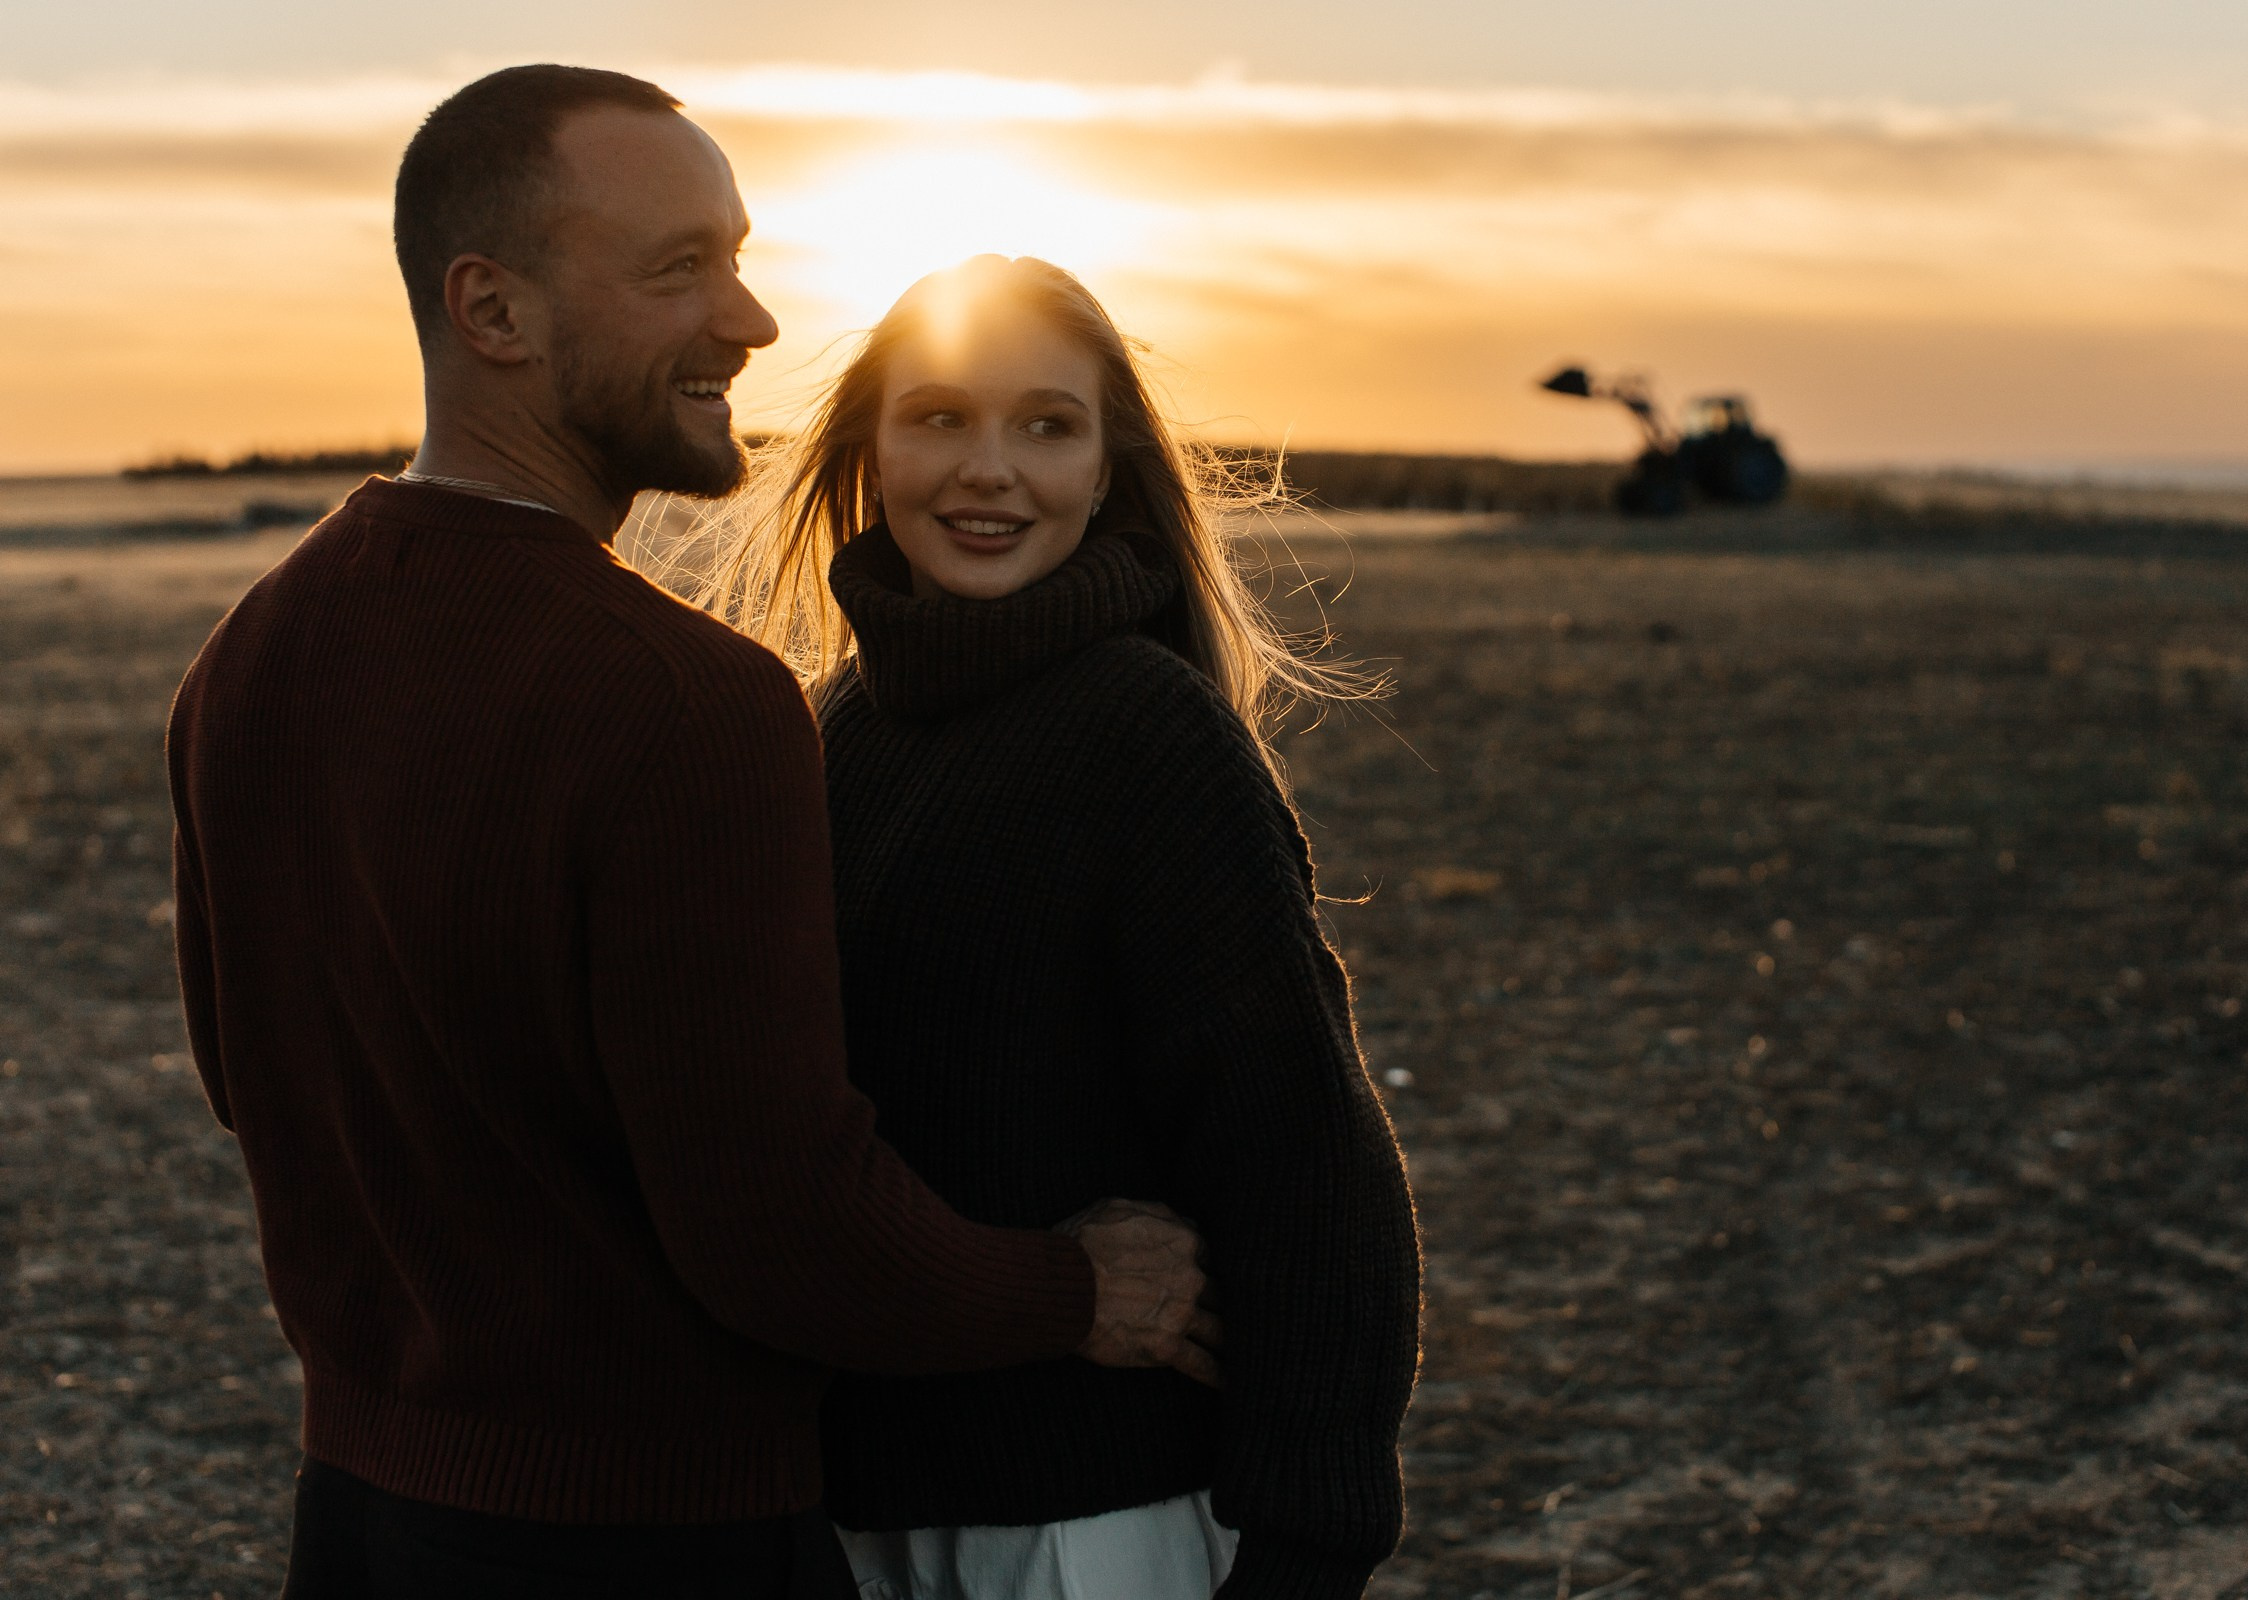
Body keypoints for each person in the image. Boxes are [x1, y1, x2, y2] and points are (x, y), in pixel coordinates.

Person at [165, 67, 1216, 1600]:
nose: (752, 321)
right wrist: (1074, 1290)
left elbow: (245, 1087)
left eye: (738, 254)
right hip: (653, 1541)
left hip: (364, 1522)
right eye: (681, 271)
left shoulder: (249, 656)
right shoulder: (685, 703)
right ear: (494, 310)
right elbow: (784, 1229)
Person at [698, 254, 1422, 1600]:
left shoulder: (1145, 734)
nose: (989, 469)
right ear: (868, 448)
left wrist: (1311, 1541)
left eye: (1046, 425)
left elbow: (1304, 1155)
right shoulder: (826, 733)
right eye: (939, 418)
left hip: (1088, 1524)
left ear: (1108, 468)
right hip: (855, 1515)